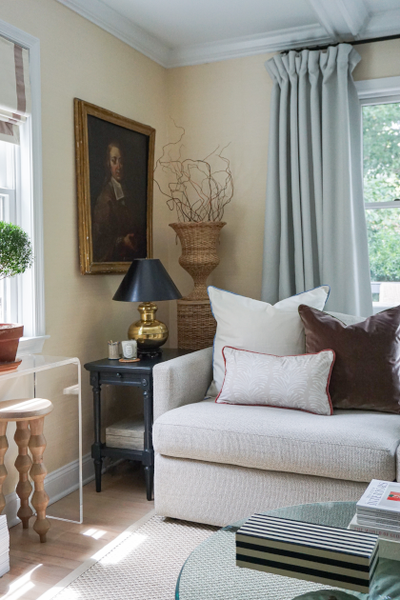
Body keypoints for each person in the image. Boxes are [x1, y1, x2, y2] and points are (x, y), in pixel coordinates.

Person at [92, 142, 146, 262]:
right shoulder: (104, 200)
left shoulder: (129, 194)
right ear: (108, 164)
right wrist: (121, 241)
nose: (119, 166)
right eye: (114, 161)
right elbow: (100, 241)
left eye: (121, 161)